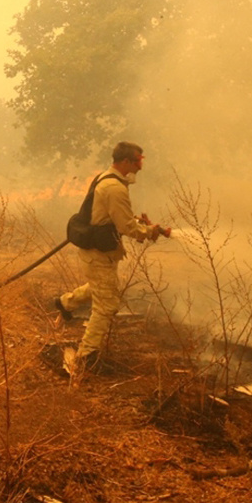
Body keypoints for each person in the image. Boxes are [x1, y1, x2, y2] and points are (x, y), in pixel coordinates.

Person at [53, 141, 169, 374]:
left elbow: (115, 217)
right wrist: (150, 231)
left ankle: (65, 302)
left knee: (101, 287)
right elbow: (126, 226)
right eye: (138, 160)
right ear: (125, 161)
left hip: (98, 251)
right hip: (98, 253)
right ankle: (86, 356)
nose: (140, 165)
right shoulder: (115, 188)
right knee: (107, 305)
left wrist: (142, 225)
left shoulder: (106, 178)